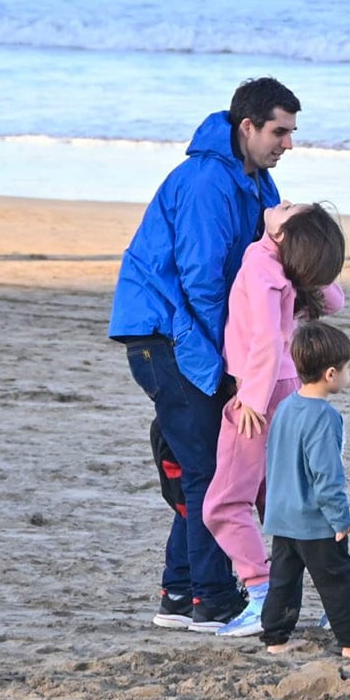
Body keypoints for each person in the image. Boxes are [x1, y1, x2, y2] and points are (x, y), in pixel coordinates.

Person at [111, 77, 299, 632]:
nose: (287, 144)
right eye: (278, 132)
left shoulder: (256, 182)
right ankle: (211, 602)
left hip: (188, 329)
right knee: (210, 470)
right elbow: (203, 286)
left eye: (291, 133)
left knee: (205, 464)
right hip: (163, 332)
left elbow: (267, 267)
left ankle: (180, 592)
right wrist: (238, 369)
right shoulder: (204, 183)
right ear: (247, 127)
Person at [210, 201, 348, 640]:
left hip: (262, 394)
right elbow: (335, 298)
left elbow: (268, 338)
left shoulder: (261, 261)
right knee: (284, 498)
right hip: (290, 390)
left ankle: (260, 590)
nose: (280, 203)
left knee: (225, 503)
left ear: (283, 234)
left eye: (289, 209)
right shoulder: (290, 268)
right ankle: (339, 584)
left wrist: (249, 398)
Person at [260, 322, 350, 661]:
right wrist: (340, 518)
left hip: (281, 516)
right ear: (331, 373)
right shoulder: (325, 416)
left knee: (283, 581)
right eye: (348, 369)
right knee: (340, 581)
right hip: (314, 520)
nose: (349, 375)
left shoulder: (285, 406)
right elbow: (327, 475)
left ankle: (275, 637)